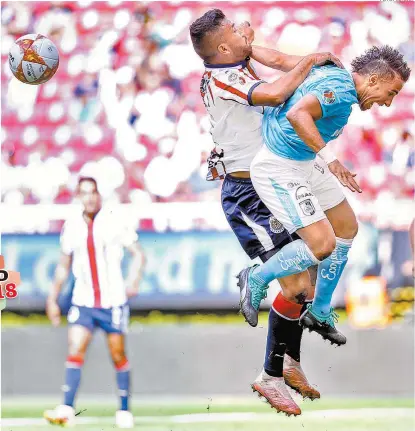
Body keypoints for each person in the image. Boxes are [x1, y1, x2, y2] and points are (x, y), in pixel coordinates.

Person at [190, 9, 344, 415]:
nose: (243, 30)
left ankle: (286, 364)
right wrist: (311, 60)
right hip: (248, 195)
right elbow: (275, 93)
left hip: (272, 180)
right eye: (233, 32)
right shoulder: (223, 77)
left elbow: (277, 62)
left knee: (307, 276)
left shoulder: (236, 61)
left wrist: (316, 62)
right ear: (222, 46)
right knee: (295, 285)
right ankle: (271, 375)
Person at [238, 45, 411, 345]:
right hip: (279, 167)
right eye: (391, 92)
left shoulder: (328, 68)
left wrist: (247, 49)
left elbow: (282, 60)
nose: (387, 103)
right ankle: (255, 277)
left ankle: (319, 311)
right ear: (372, 81)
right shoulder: (342, 94)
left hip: (303, 161)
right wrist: (331, 160)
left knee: (346, 226)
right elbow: (297, 113)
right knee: (322, 244)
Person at [44, 177, 145, 428]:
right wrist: (52, 298)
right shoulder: (72, 226)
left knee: (118, 355)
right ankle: (67, 408)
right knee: (75, 350)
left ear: (99, 195)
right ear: (79, 196)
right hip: (83, 301)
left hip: (112, 302)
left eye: (93, 192)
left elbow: (138, 255)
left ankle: (124, 410)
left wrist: (133, 280)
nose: (89, 197)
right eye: (84, 193)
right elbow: (63, 266)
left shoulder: (113, 221)